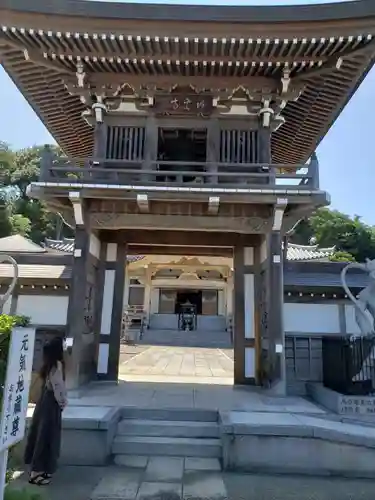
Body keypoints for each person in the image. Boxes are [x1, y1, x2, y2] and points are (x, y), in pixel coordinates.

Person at [24, 337, 67, 485]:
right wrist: (63, 402)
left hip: (43, 403)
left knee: (40, 434)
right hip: (51, 404)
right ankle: (37, 472)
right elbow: (58, 386)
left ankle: (38, 470)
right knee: (47, 436)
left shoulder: (47, 365)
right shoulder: (57, 365)